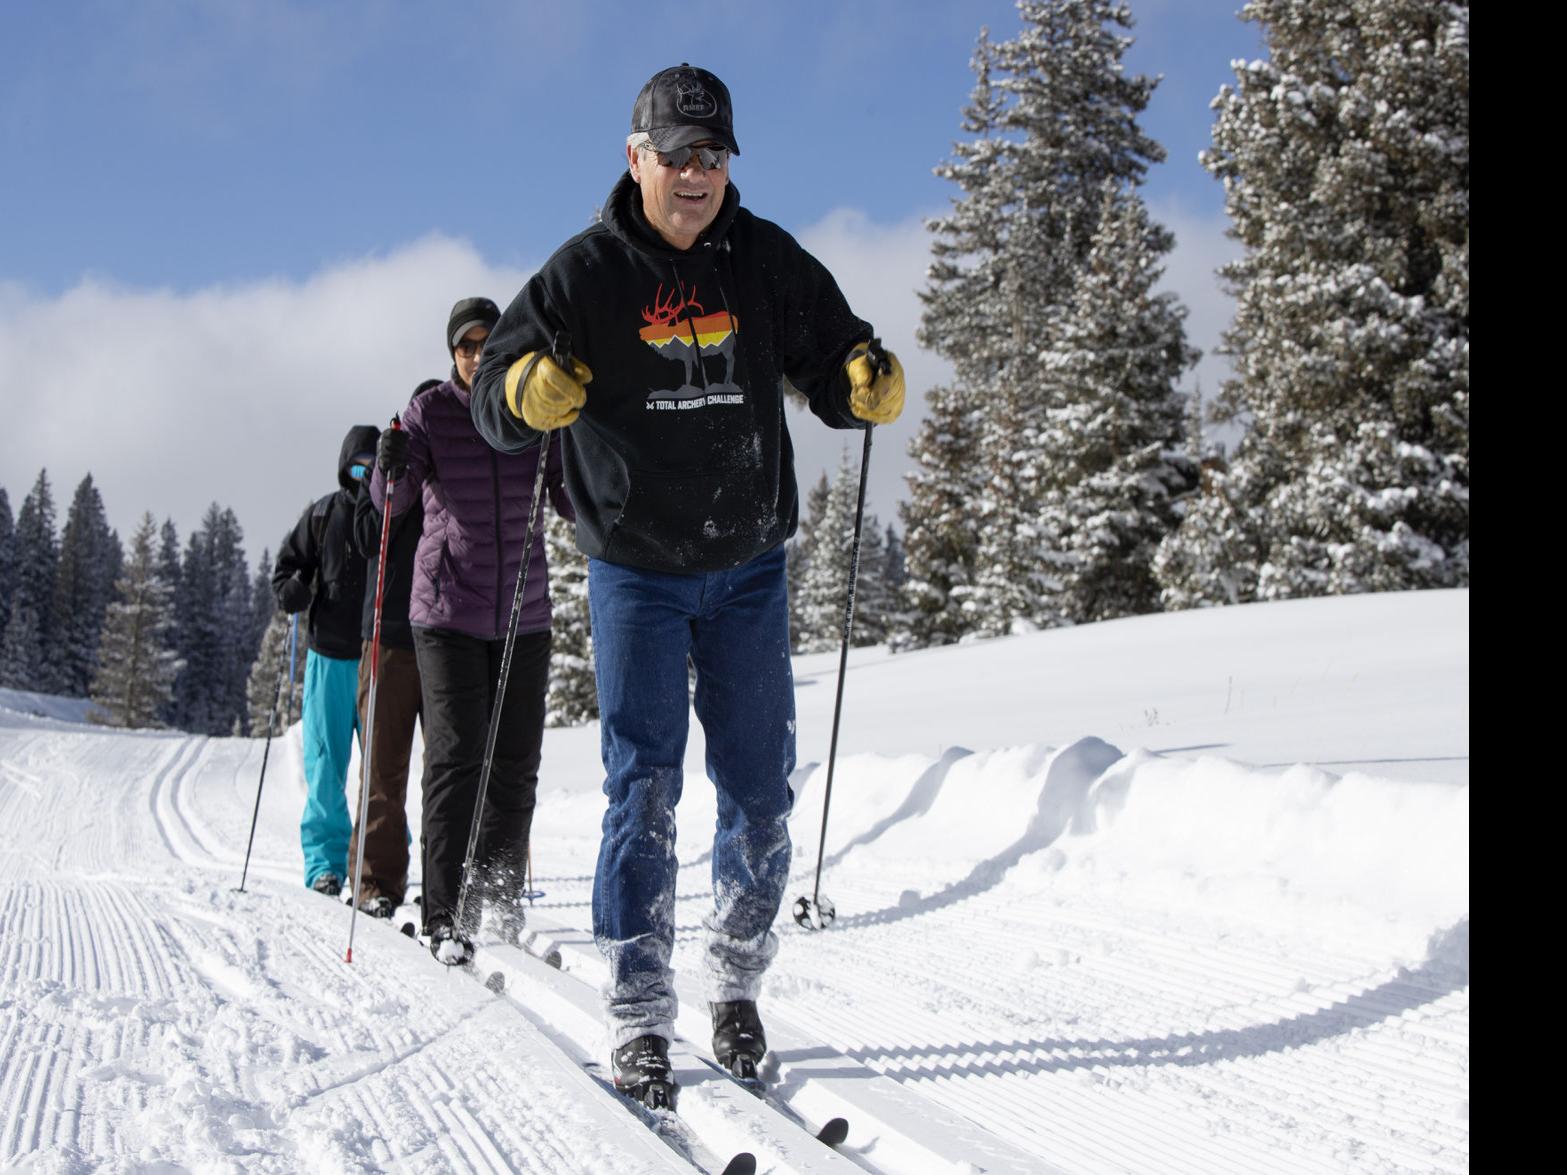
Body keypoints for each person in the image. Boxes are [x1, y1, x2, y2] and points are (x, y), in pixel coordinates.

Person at [470, 63, 906, 1106]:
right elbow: (493, 394)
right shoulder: (582, 275)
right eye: (678, 155)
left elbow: (834, 351)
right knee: (646, 787)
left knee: (759, 789)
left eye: (713, 156)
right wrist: (525, 390)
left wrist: (858, 384)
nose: (697, 174)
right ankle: (637, 1004)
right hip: (635, 572)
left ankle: (740, 981)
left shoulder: (762, 261)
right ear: (636, 158)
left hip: (748, 564)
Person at [371, 297, 570, 966]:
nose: (478, 353)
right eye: (466, 345)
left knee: (514, 762)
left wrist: (595, 441)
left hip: (523, 611)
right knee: (457, 759)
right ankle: (444, 911)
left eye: (490, 341)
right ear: (452, 353)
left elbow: (570, 498)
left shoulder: (535, 412)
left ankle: (498, 895)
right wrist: (387, 463)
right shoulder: (431, 413)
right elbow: (391, 502)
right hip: (448, 612)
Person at [273, 424, 380, 897]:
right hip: (329, 658)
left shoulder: (390, 515)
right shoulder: (322, 514)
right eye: (356, 467)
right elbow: (288, 567)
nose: (363, 476)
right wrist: (292, 589)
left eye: (372, 467)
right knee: (325, 765)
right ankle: (325, 864)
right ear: (344, 467)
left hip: (380, 657)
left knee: (382, 769)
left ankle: (377, 864)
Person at [347, 380, 440, 918]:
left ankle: (445, 883)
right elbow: (365, 536)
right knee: (384, 768)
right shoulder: (393, 465)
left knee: (447, 769)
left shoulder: (455, 469)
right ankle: (376, 882)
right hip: (386, 635)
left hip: (448, 635)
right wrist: (390, 473)